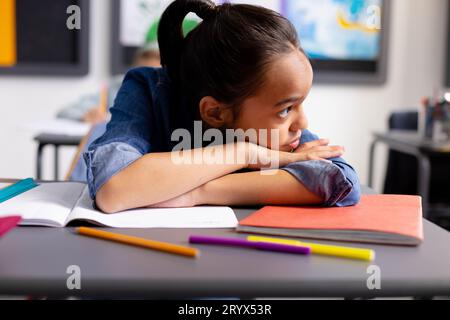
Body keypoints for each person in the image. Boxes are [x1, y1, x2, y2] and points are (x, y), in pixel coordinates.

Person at [84, 0, 361, 214]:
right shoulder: (148, 89)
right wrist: (244, 152)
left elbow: (339, 180)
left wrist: (201, 192)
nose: (303, 123)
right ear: (215, 112)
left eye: (301, 104)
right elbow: (114, 187)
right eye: (286, 110)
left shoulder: (287, 136)